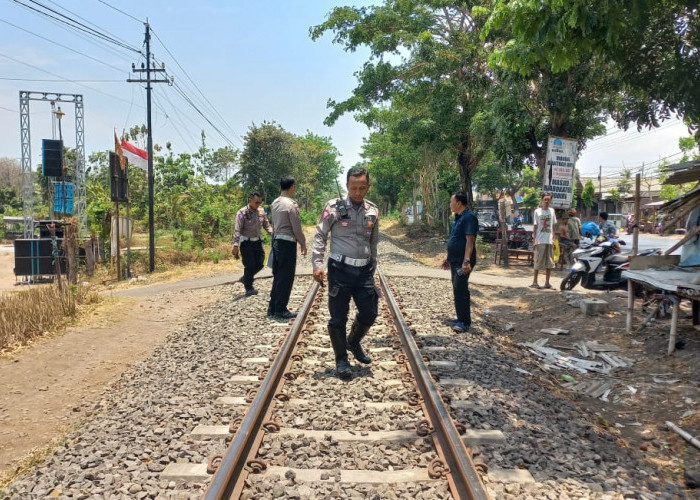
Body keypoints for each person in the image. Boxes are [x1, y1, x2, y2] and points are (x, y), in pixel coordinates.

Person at [312, 167, 379, 380]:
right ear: (347, 186)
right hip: (340, 269)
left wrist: (373, 266)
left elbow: (374, 241)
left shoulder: (373, 210)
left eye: (362, 188)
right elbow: (320, 234)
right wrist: (317, 264)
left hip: (364, 270)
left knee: (370, 312)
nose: (358, 192)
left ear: (368, 186)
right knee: (337, 317)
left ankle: (353, 341)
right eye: (353, 188)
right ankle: (341, 360)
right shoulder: (333, 207)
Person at [268, 175, 307, 320]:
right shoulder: (291, 205)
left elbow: (274, 226)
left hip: (276, 241)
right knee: (286, 277)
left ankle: (272, 308)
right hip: (287, 244)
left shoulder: (275, 203)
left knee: (278, 276)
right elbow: (296, 227)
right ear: (293, 187)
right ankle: (281, 310)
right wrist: (302, 243)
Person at [441, 191, 478, 333]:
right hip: (455, 260)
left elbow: (470, 241)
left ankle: (464, 321)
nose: (450, 204)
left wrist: (466, 261)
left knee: (461, 289)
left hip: (464, 261)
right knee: (457, 288)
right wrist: (448, 258)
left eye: (451, 201)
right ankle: (460, 317)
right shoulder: (458, 217)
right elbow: (455, 239)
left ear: (458, 203)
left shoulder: (469, 218)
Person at [232, 192, 273, 296]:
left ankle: (246, 277)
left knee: (260, 263)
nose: (258, 204)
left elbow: (267, 225)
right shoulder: (242, 212)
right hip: (246, 243)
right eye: (256, 202)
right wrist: (235, 245)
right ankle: (249, 287)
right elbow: (237, 229)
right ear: (250, 200)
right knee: (249, 265)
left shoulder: (261, 211)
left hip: (257, 242)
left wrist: (273, 234)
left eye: (260, 202)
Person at [530, 192, 557, 289]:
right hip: (540, 240)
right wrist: (534, 240)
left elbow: (553, 226)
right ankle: (535, 282)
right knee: (537, 261)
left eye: (548, 199)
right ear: (542, 200)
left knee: (549, 262)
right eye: (545, 199)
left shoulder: (552, 211)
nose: (546, 201)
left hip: (549, 240)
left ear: (551, 200)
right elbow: (535, 226)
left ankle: (547, 283)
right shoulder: (537, 211)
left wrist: (553, 239)